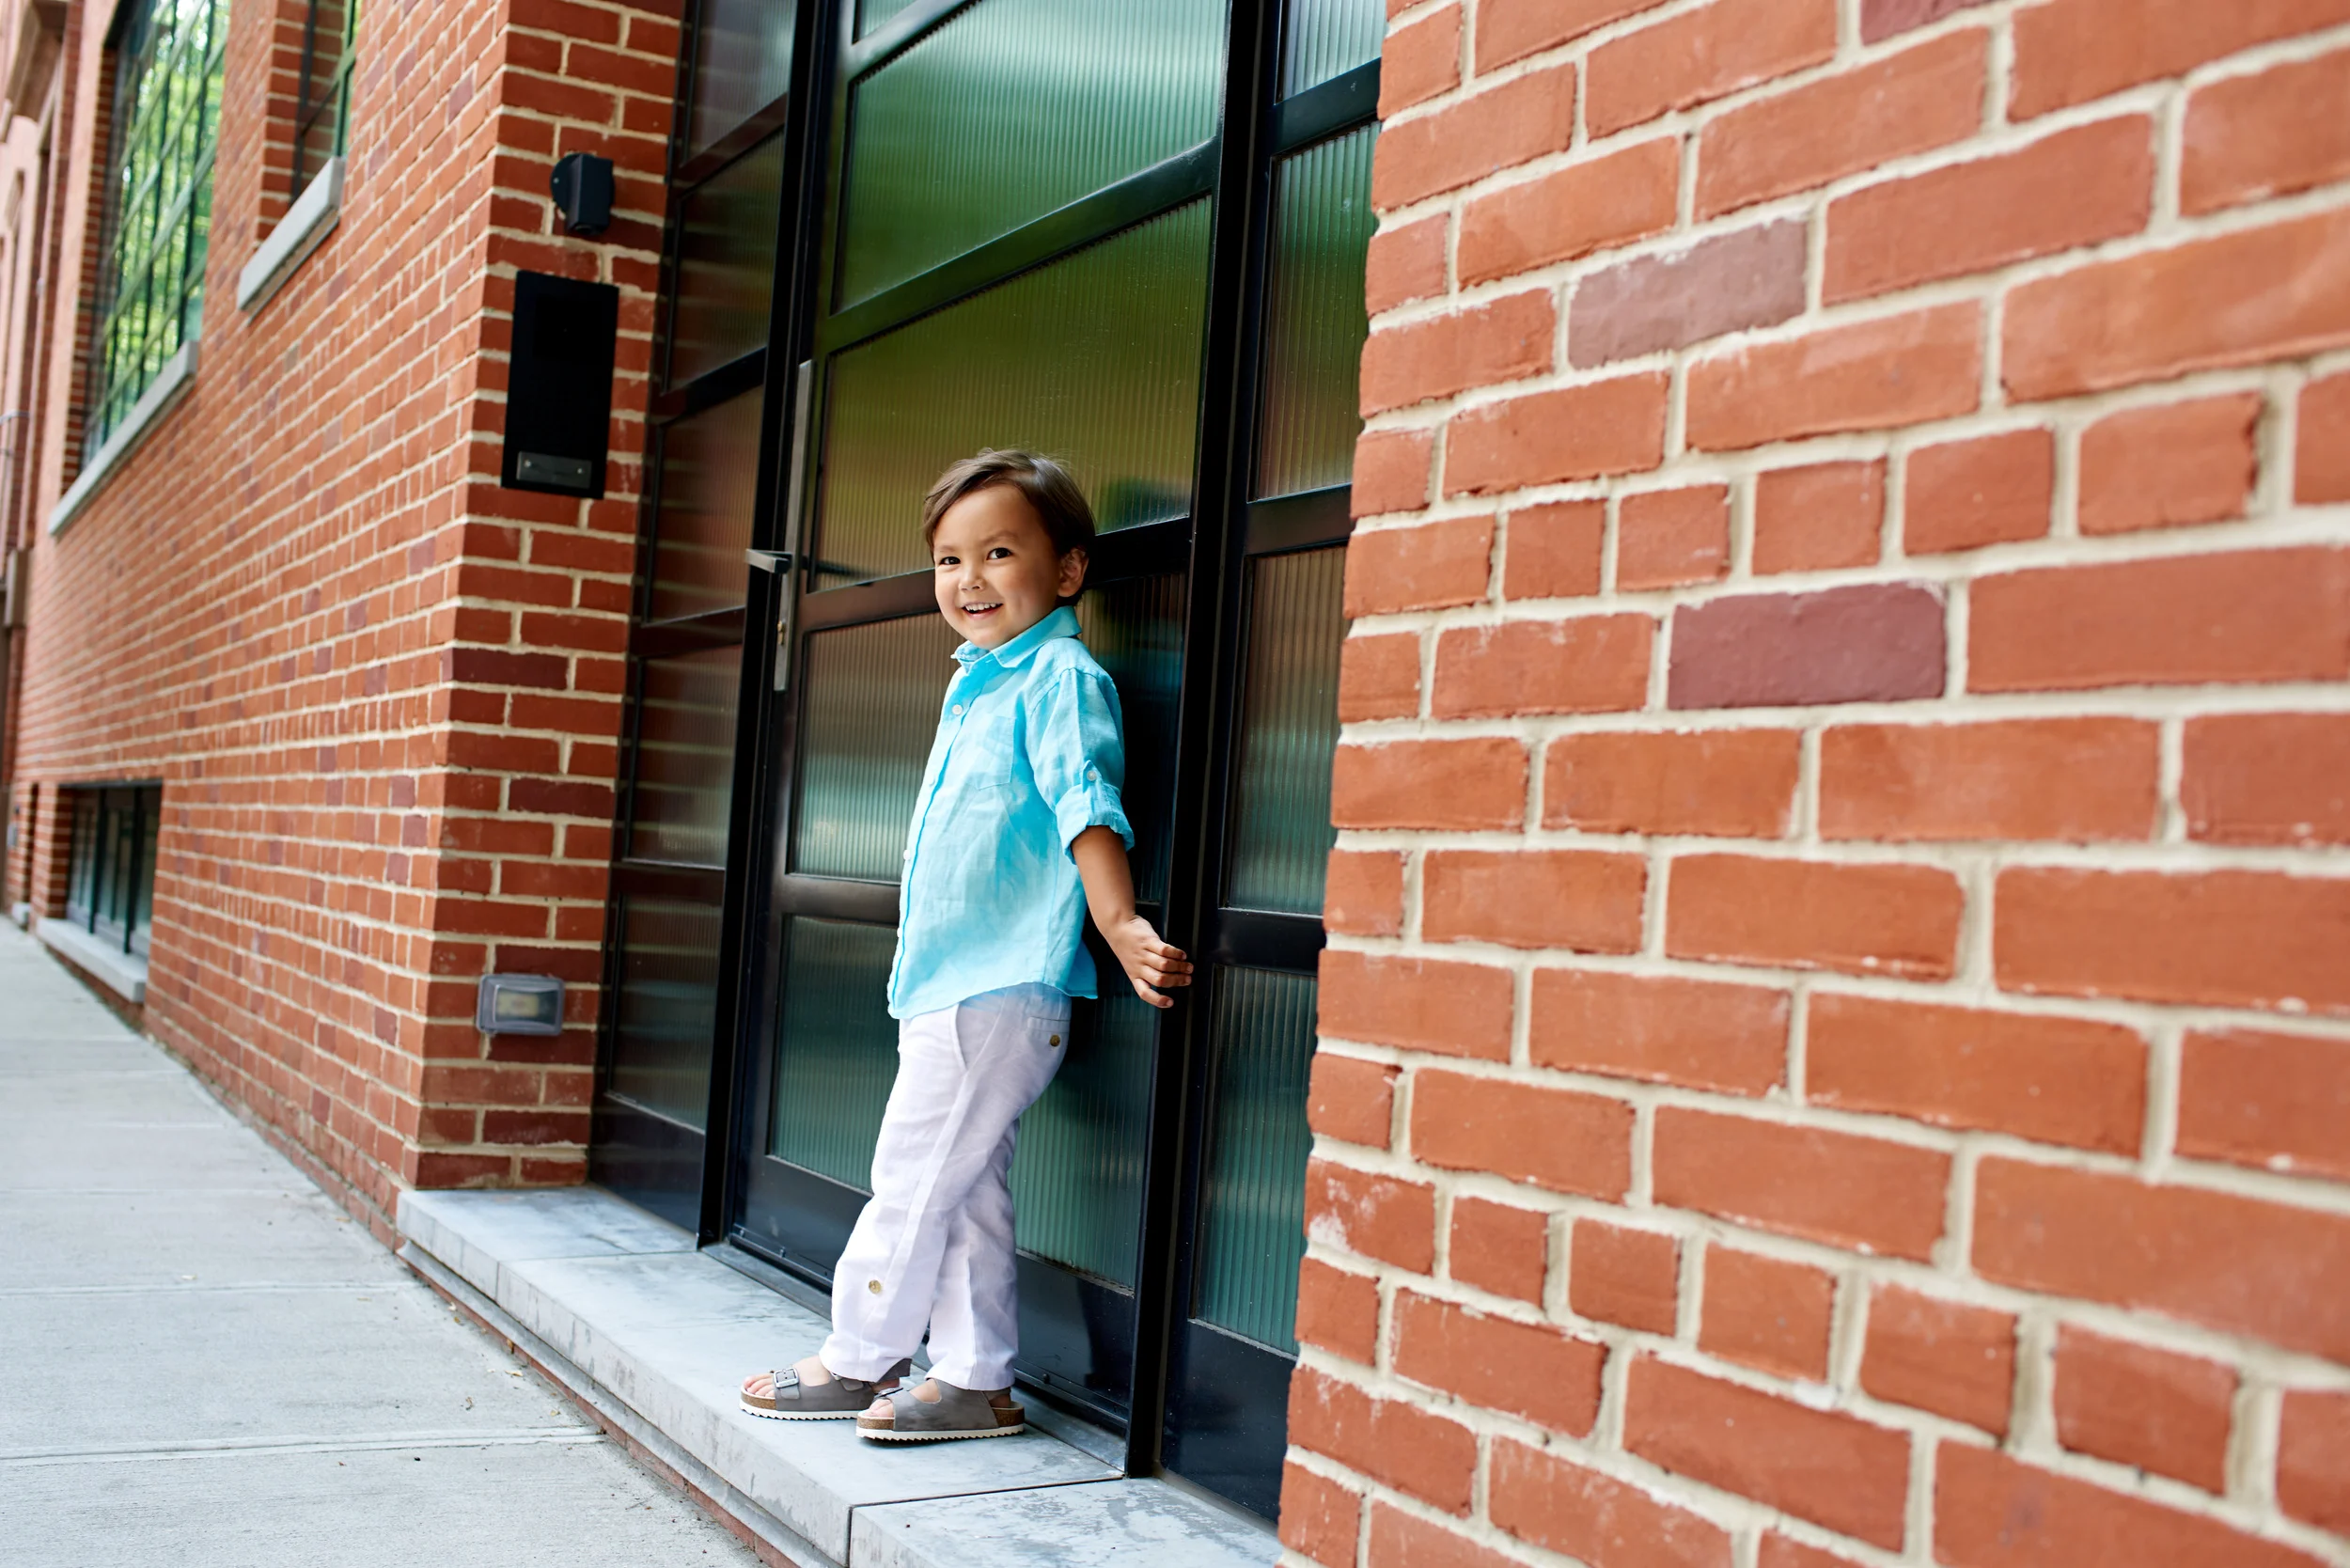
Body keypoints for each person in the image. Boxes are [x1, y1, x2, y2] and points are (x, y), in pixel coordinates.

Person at [739, 449, 1192, 1441]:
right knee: (964, 1185)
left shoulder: (1061, 679)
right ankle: (978, 1379)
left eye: (997, 553)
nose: (969, 579)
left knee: (911, 1179)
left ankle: (858, 1358)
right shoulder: (981, 685)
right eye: (950, 560)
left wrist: (1119, 924)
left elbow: (1086, 803)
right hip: (949, 984)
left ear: (1068, 570)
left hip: (999, 988)